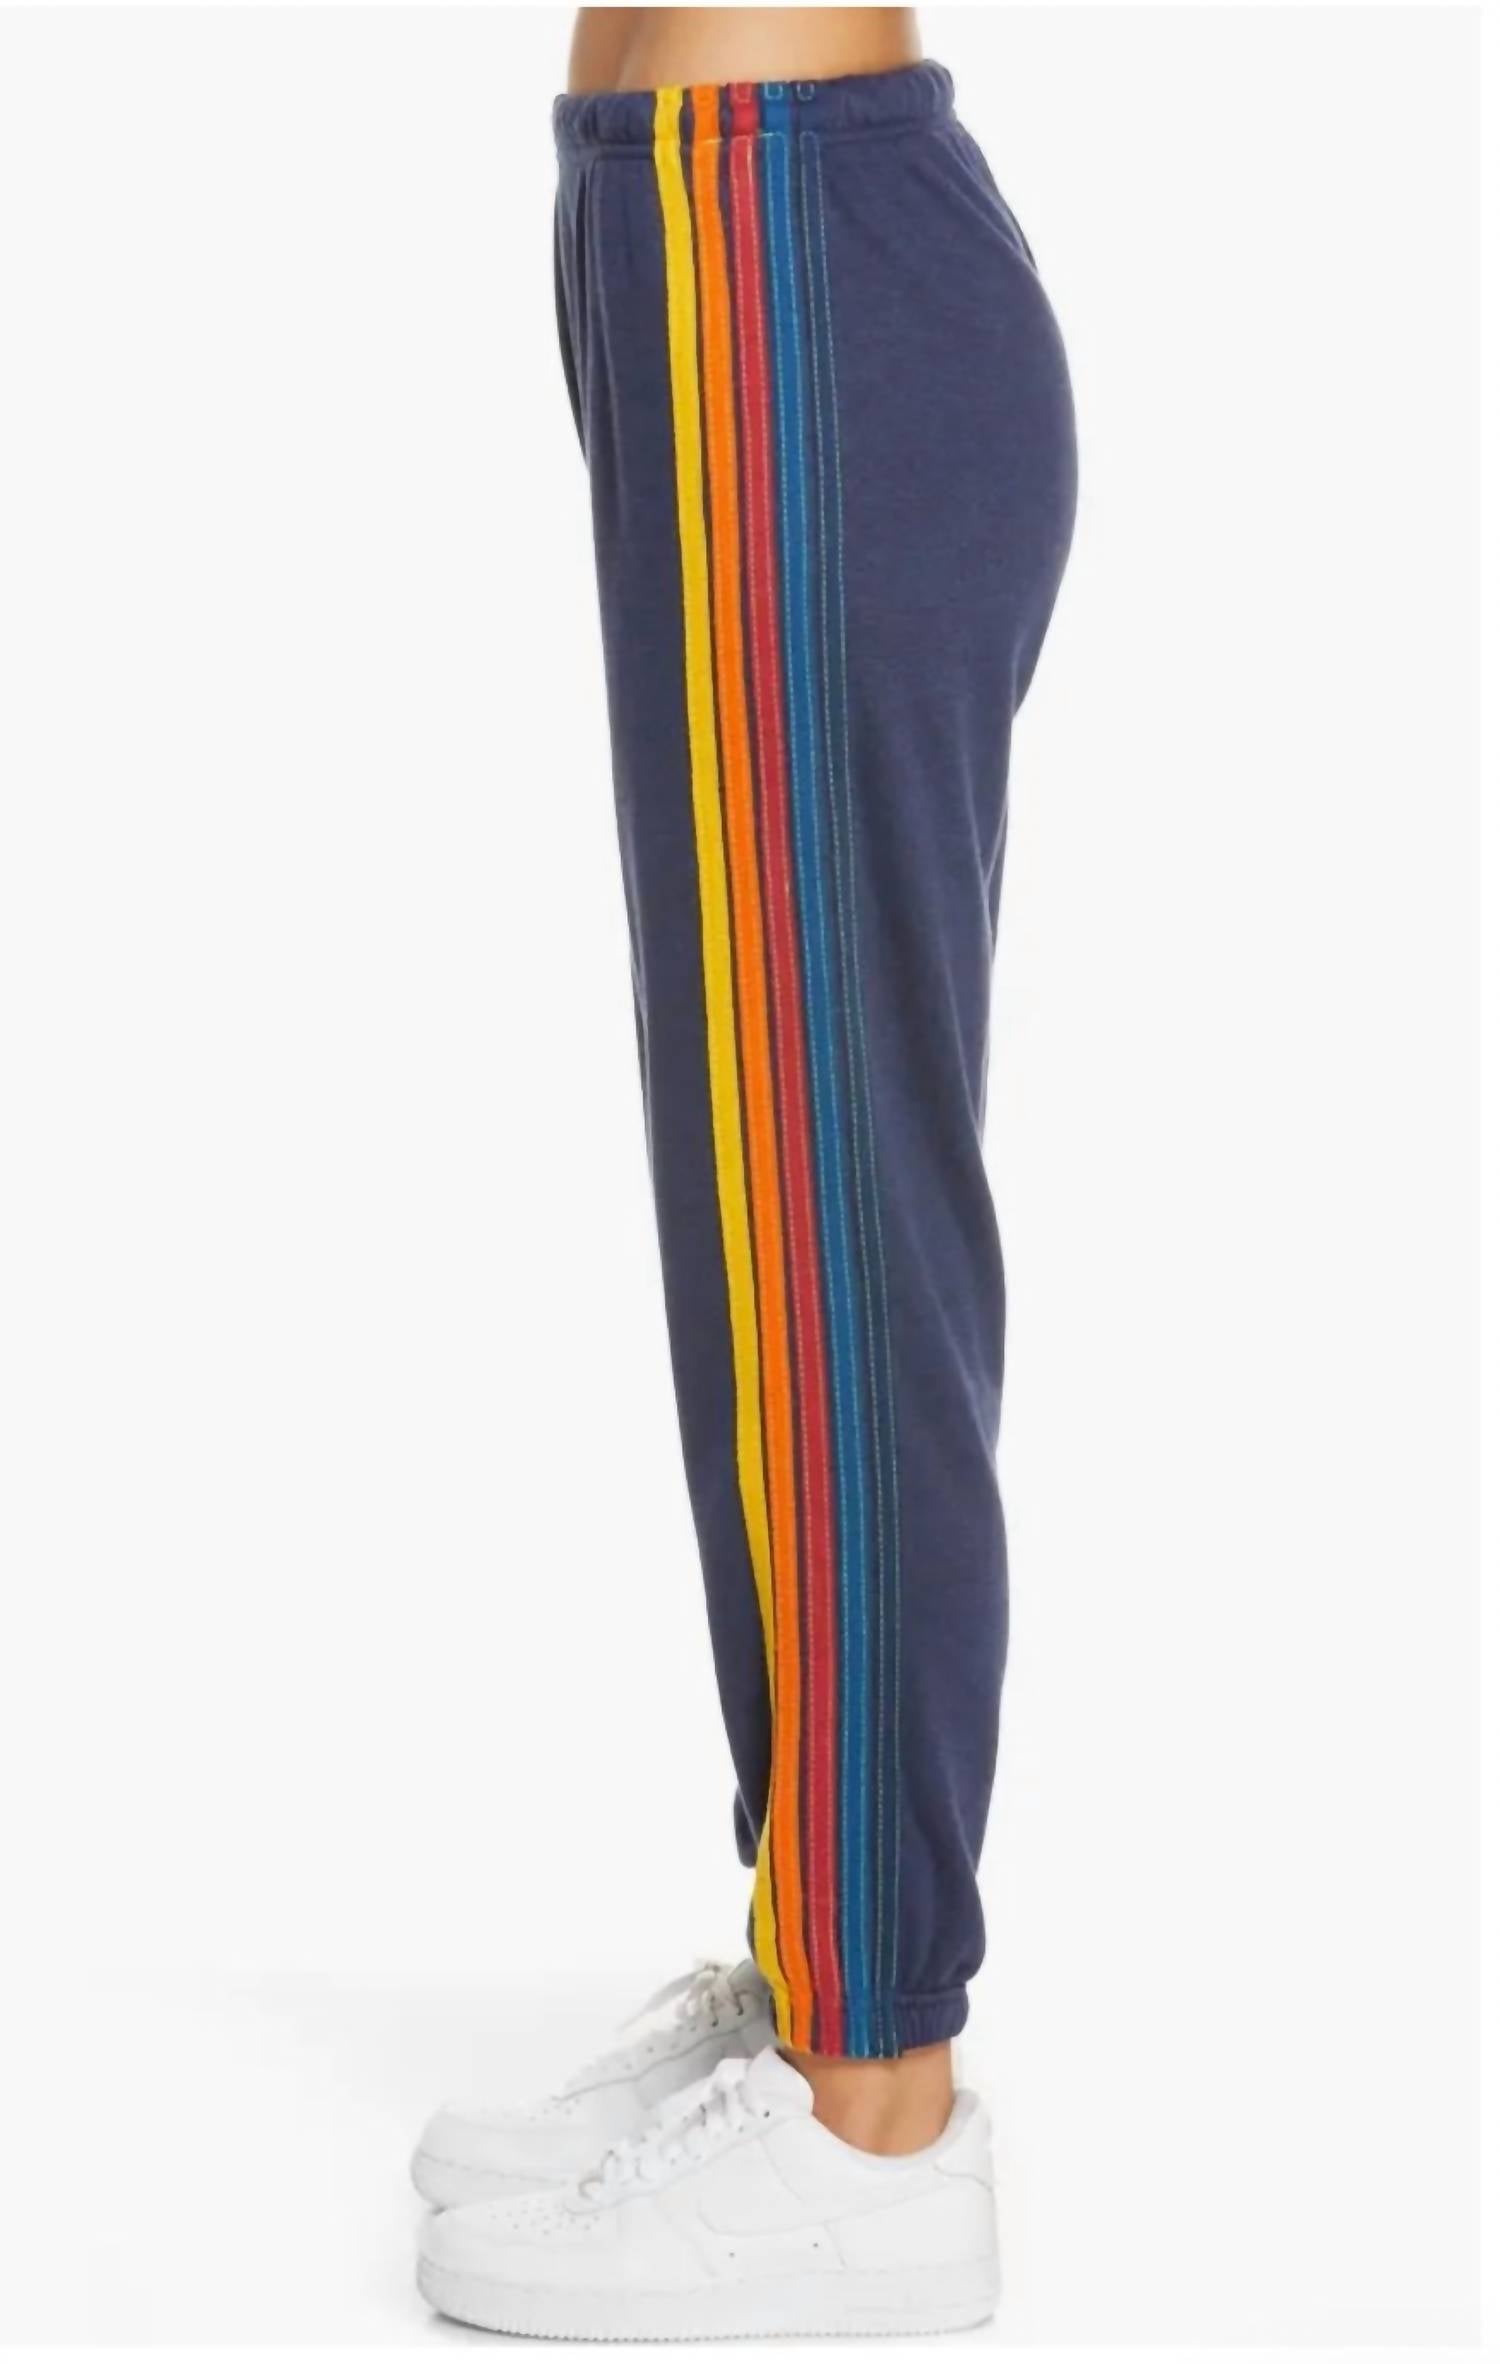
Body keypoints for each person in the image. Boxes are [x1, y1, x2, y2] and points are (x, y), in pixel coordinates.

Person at [414, 6, 1076, 2337]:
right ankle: (823, 1956)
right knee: (761, 1200)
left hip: (783, 250)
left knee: (829, 1230)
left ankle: (878, 2098)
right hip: (704, 233)